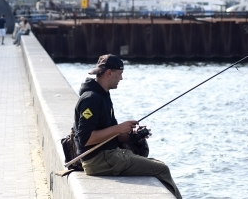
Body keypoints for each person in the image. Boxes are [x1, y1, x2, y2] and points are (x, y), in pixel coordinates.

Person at [73, 54, 182, 199]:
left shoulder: (103, 95)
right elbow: (85, 139)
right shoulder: (91, 99)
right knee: (162, 169)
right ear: (109, 73)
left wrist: (132, 133)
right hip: (98, 161)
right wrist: (119, 128)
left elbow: (113, 133)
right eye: (120, 74)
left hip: (108, 155)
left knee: (158, 164)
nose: (121, 78)